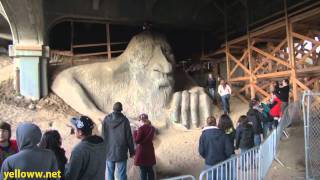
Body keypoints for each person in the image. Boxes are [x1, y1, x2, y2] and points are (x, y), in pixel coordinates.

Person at [65, 116, 106, 180]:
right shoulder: (103, 145)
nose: (74, 130)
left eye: (75, 129)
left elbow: (71, 177)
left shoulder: (79, 150)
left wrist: (65, 167)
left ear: (80, 132)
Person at [102, 102, 135, 180]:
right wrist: (132, 152)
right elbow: (129, 137)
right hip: (121, 151)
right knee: (121, 174)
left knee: (109, 173)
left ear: (113, 109)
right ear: (121, 110)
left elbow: (103, 135)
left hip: (109, 151)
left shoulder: (106, 119)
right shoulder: (125, 120)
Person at [134, 114, 156, 180]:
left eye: (139, 120)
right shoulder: (152, 128)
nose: (139, 122)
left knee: (143, 171)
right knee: (150, 169)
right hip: (150, 150)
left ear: (142, 121)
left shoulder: (141, 129)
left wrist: (135, 132)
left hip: (142, 151)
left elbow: (137, 141)